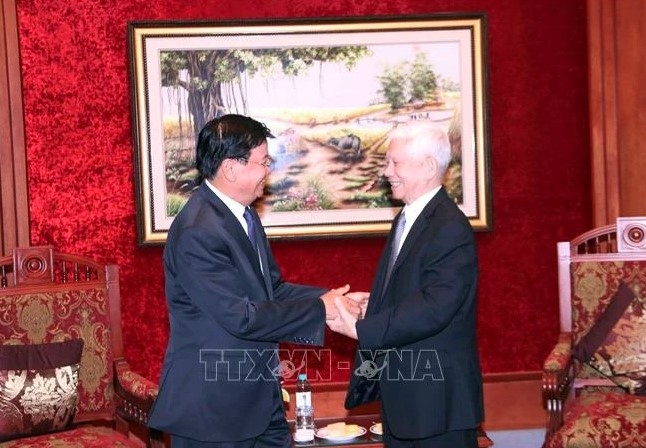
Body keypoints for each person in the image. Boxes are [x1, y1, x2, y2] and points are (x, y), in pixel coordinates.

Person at [148, 114, 360, 448]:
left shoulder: (242, 215)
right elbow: (240, 316)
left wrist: (332, 300)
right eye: (263, 162)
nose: (268, 171)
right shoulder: (197, 231)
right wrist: (321, 309)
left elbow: (271, 290)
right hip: (214, 411)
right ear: (232, 168)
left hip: (258, 400)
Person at [328, 121, 484, 448]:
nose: (386, 171)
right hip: (407, 400)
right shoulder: (408, 217)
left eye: (394, 162)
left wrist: (362, 328)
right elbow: (418, 289)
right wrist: (376, 302)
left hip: (437, 405)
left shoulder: (449, 227)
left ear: (428, 166)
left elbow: (436, 308)